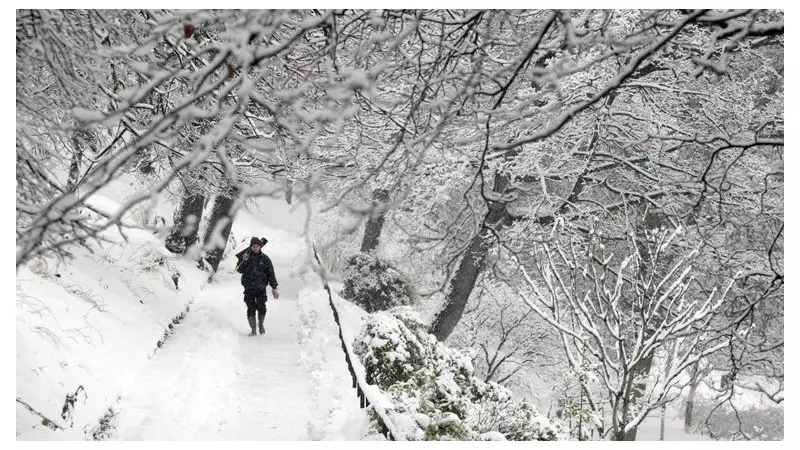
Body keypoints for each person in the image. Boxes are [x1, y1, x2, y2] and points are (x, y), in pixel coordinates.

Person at [235, 236, 279, 336]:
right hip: (248, 288)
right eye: (253, 246)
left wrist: (274, 287)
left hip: (261, 288)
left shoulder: (265, 259)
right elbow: (238, 270)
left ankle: (261, 324)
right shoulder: (245, 257)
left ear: (260, 247)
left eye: (257, 246)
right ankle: (253, 330)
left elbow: (271, 273)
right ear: (251, 247)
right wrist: (243, 261)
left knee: (262, 308)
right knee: (251, 309)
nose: (255, 248)